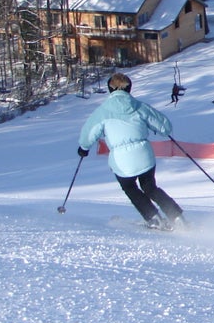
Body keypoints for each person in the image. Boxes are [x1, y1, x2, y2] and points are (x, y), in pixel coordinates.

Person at [77, 72, 185, 230]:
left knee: (129, 187)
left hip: (121, 161)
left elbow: (89, 133)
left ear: (109, 89)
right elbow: (164, 126)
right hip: (144, 155)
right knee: (150, 188)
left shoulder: (102, 111)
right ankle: (177, 217)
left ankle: (153, 217)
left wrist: (83, 148)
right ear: (129, 88)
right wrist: (163, 131)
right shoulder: (139, 106)